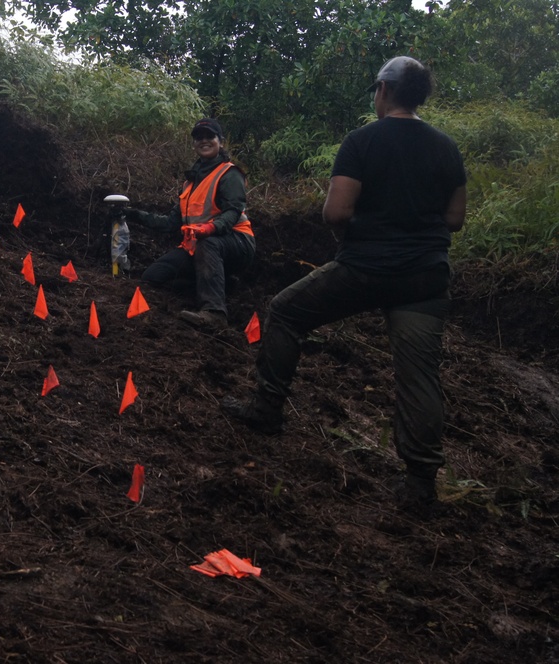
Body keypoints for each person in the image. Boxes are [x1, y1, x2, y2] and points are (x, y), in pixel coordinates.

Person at [223, 56, 467, 510]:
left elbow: (334, 213)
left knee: (286, 311)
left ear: (383, 90)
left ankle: (267, 409)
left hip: (365, 269)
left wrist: (365, 233)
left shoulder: (362, 141)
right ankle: (419, 484)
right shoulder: (446, 148)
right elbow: (455, 219)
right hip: (424, 280)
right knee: (418, 376)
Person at [124, 118, 255, 327]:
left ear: (220, 141)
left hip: (237, 243)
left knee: (208, 243)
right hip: (200, 248)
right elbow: (169, 223)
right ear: (194, 144)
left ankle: (214, 313)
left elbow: (232, 212)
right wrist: (132, 215)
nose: (204, 141)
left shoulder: (229, 173)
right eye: (198, 137)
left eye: (209, 136)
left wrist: (210, 228)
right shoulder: (190, 182)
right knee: (153, 276)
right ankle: (223, 284)